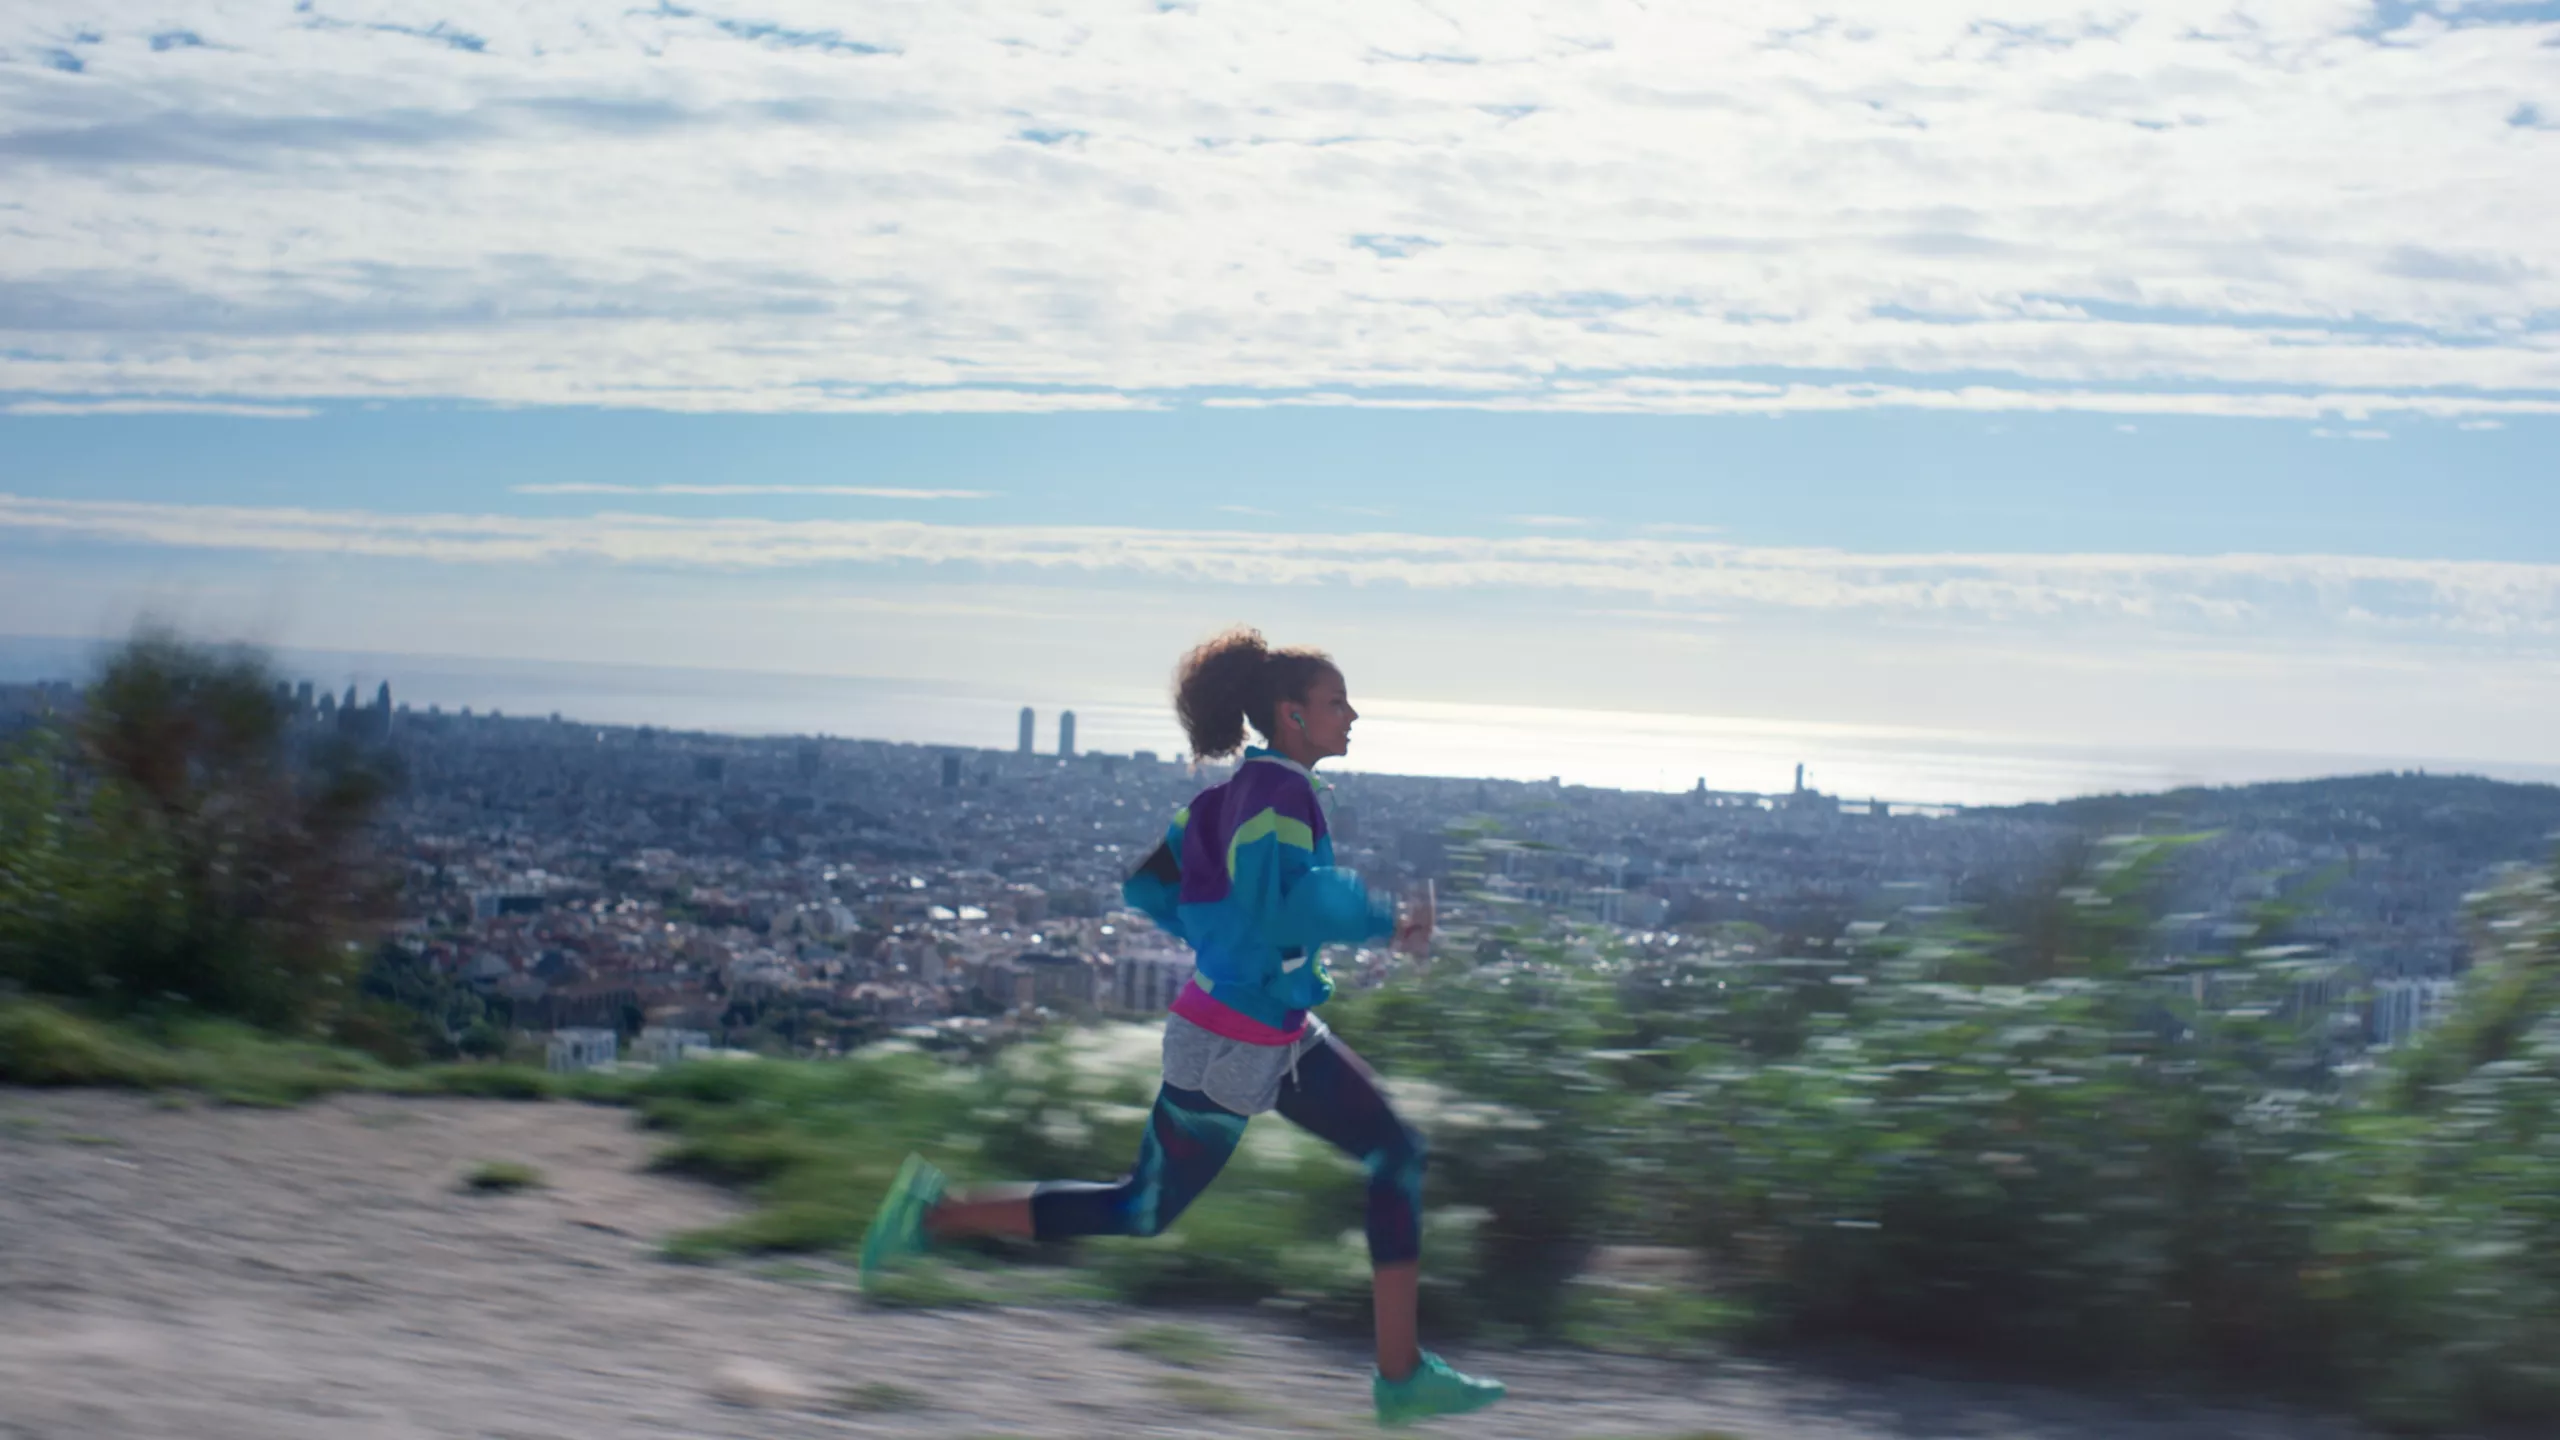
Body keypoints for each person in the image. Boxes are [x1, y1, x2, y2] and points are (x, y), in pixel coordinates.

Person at [859, 627, 1505, 1427]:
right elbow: (1283, 900)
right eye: (1337, 701)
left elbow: (1150, 887)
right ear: (1290, 715)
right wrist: (1387, 921)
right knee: (1143, 1209)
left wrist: (1225, 945)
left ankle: (1402, 1375)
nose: (1353, 714)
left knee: (1395, 1151)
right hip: (1235, 1043)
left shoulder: (1219, 800)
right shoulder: (1282, 797)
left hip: (1266, 1028)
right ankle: (933, 1214)